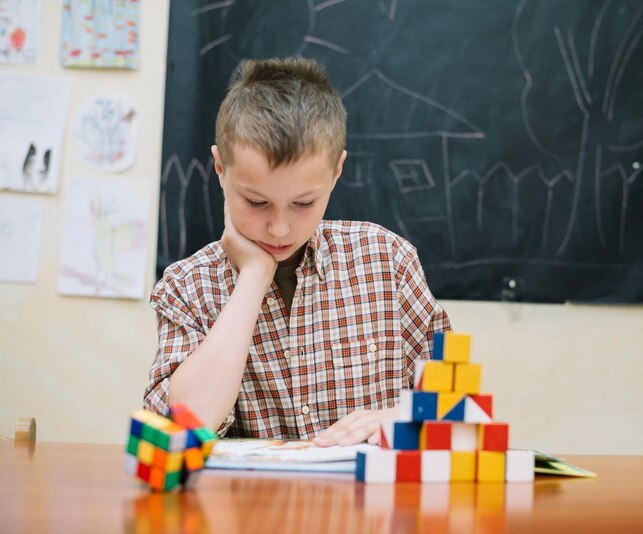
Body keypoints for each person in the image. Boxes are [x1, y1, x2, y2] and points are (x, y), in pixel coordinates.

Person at [144, 57, 450, 447]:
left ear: (337, 171)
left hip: (369, 505)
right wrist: (255, 274)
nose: (279, 228)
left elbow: (456, 404)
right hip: (247, 507)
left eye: (303, 204)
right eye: (256, 202)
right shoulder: (186, 287)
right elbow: (182, 427)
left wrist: (401, 417)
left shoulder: (388, 260)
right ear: (220, 167)